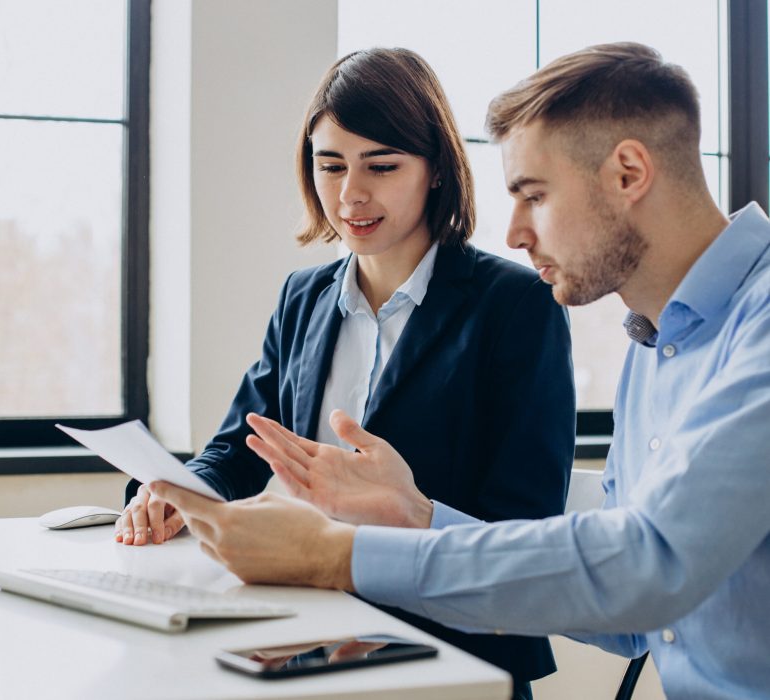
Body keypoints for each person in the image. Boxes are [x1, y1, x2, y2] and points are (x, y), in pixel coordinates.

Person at [149, 42, 770, 700]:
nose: (514, 233)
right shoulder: (656, 346)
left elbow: (645, 568)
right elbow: (626, 619)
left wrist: (333, 554)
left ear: (627, 173)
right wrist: (415, 515)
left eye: (534, 195)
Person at [118, 48, 575, 696]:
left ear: (437, 169)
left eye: (381, 167)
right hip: (314, 633)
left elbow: (523, 530)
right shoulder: (303, 298)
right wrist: (181, 493)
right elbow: (242, 445)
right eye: (329, 165)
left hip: (449, 652)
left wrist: (393, 517)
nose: (350, 194)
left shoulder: (516, 307)